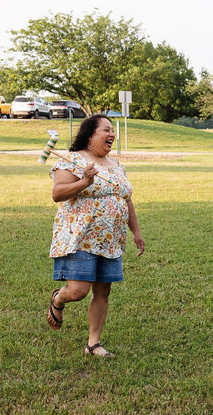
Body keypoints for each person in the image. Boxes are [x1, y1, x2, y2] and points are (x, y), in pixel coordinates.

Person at [47, 114, 145, 358]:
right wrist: (85, 181)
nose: (111, 134)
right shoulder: (72, 160)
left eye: (112, 130)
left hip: (111, 240)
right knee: (78, 291)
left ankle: (93, 343)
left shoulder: (116, 165)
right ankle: (59, 300)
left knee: (103, 292)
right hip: (80, 236)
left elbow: (126, 198)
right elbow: (58, 193)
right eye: (105, 130)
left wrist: (136, 232)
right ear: (90, 136)